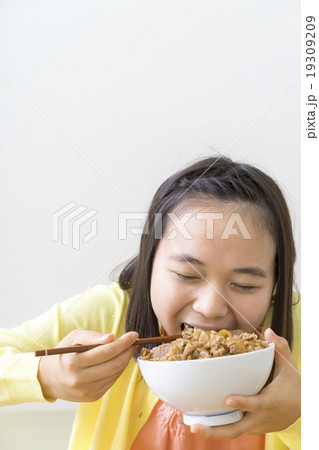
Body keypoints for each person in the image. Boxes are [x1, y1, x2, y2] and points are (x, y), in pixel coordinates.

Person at [0, 156, 300, 449]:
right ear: (149, 263)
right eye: (186, 275)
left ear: (276, 283)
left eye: (244, 285)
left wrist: (302, 414)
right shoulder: (111, 314)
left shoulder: (303, 329)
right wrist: (43, 375)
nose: (210, 307)